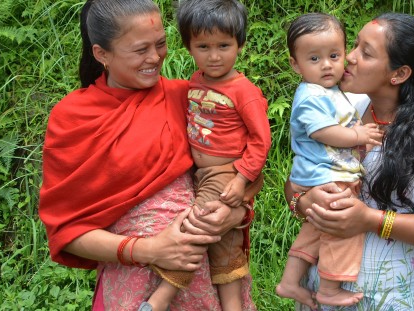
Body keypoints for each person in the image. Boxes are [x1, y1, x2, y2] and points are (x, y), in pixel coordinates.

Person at [38, 0, 259, 310]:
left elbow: (237, 169)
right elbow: (66, 230)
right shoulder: (73, 118)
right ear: (102, 53)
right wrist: (149, 250)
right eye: (140, 50)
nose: (155, 58)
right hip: (133, 283)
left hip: (204, 276)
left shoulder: (191, 98)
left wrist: (233, 214)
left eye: (160, 44)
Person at [286, 13, 414, 310]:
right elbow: (299, 179)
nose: (349, 57)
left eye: (366, 52)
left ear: (398, 74)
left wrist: (371, 220)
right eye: (355, 44)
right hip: (318, 291)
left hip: (391, 297)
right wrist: (304, 201)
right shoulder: (343, 109)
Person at [142, 1, 271, 310]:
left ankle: (160, 300)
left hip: (226, 173)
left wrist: (241, 181)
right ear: (189, 46)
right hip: (199, 174)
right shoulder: (195, 82)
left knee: (198, 225)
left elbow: (261, 141)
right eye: (203, 46)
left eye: (224, 45)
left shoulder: (244, 91)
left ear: (239, 44)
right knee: (223, 245)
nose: (214, 56)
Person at [275, 13, 383, 308]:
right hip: (326, 177)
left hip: (320, 177)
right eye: (314, 59)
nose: (327, 64)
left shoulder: (331, 91)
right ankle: (330, 288)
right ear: (295, 64)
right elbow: (323, 132)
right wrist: (358, 134)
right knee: (341, 230)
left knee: (314, 230)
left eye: (334, 55)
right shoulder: (311, 95)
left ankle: (289, 281)